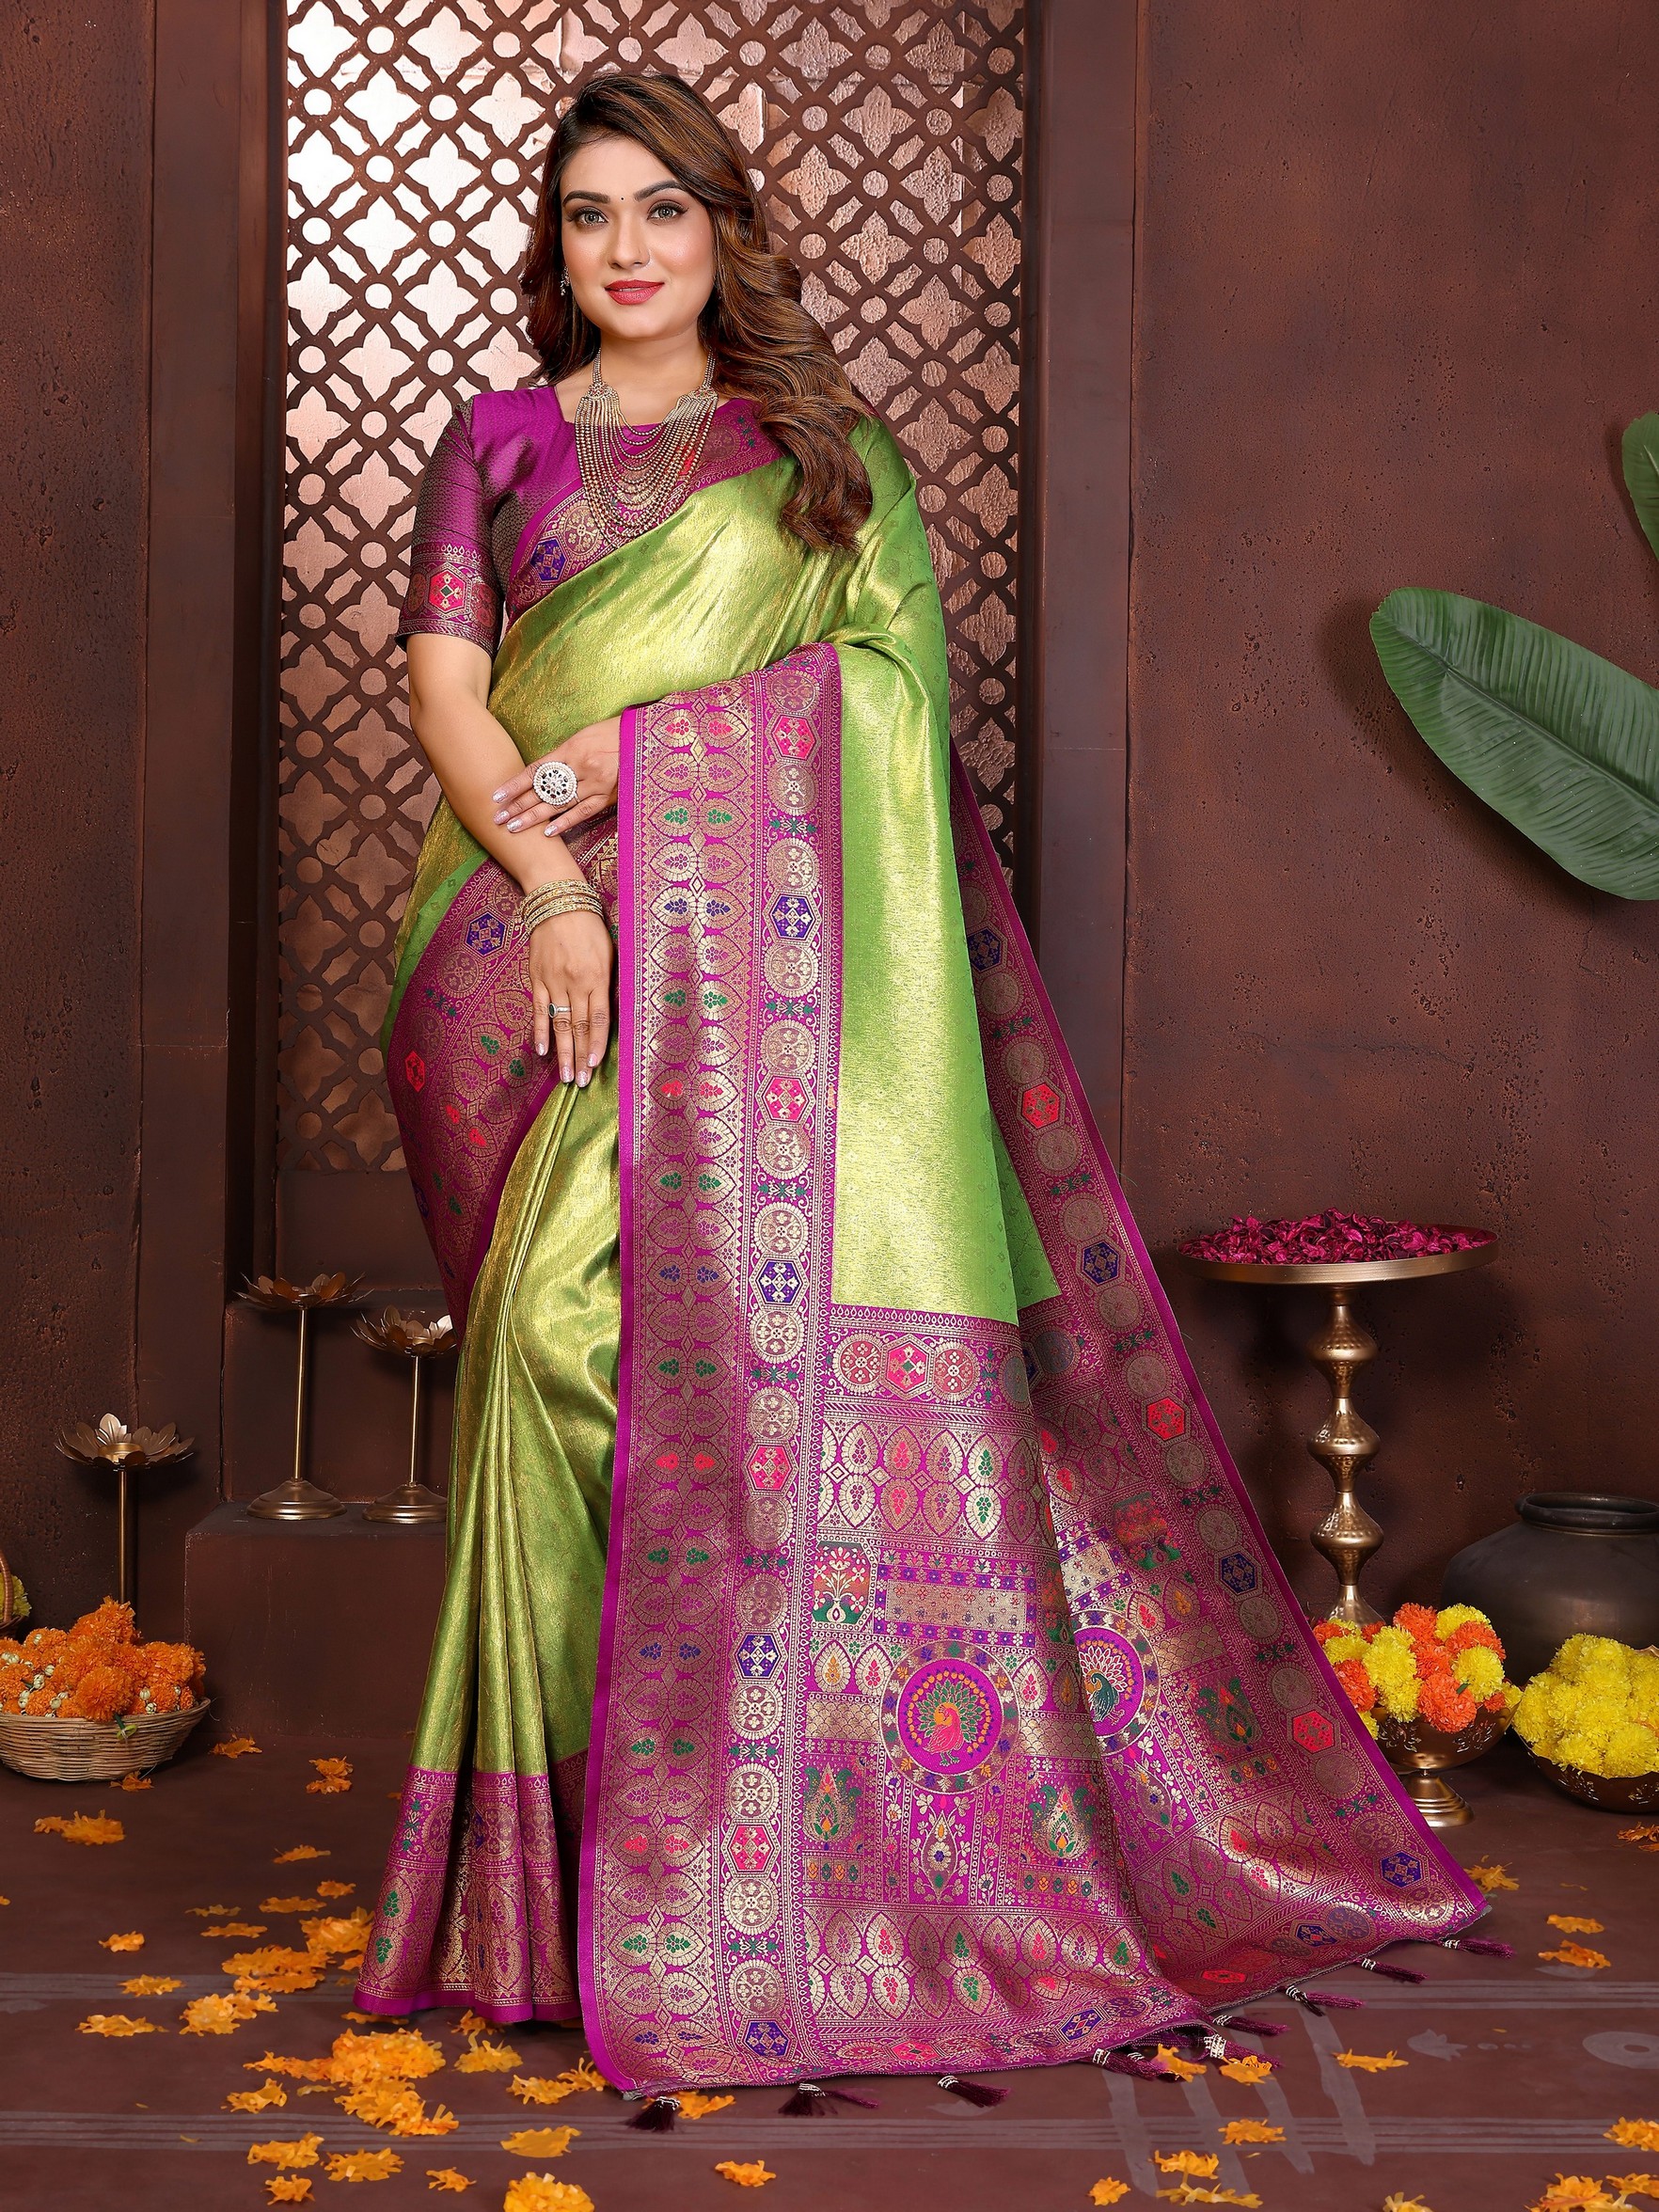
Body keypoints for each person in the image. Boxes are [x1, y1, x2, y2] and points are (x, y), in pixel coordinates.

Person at [355, 71, 1486, 2095]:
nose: (628, 249)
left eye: (664, 210)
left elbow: (887, 699)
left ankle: (749, 1843)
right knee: (537, 1350)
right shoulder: (501, 438)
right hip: (528, 949)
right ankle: (568, 1884)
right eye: (592, 214)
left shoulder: (818, 455)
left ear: (724, 228)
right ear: (557, 243)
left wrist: (647, 762)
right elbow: (446, 678)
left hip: (750, 982)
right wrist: (555, 882)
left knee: (640, 1355)